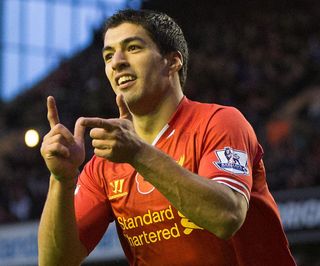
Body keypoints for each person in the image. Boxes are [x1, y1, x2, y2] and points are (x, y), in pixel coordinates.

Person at [38, 9, 296, 266]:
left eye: (133, 48)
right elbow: (56, 261)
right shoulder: (105, 163)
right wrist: (61, 179)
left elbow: (226, 216)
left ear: (172, 61)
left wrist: (138, 154)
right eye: (108, 55)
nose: (116, 62)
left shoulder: (220, 123)